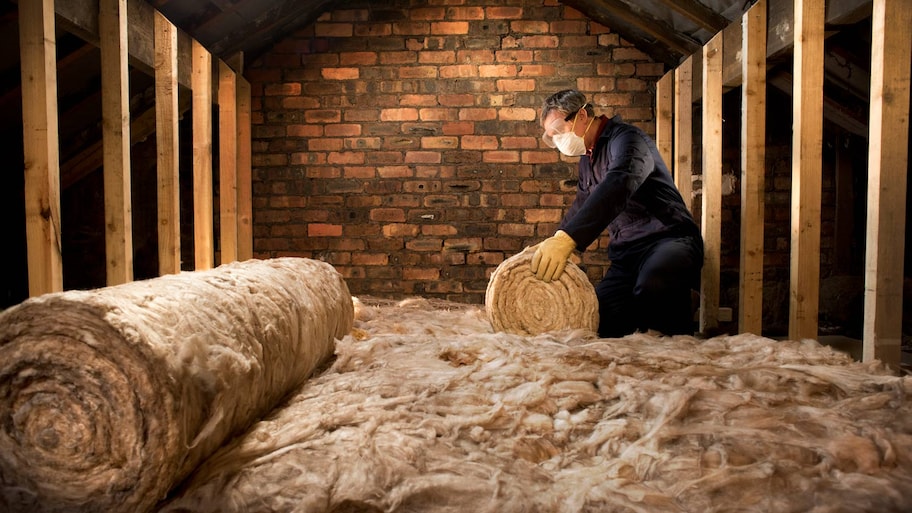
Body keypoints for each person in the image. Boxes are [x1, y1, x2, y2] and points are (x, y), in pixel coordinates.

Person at [531, 89, 704, 338]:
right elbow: (582, 203)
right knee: (602, 319)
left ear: (581, 115)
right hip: (627, 255)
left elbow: (620, 181)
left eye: (558, 129)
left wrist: (568, 239)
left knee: (653, 288)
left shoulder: (627, 139)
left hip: (669, 240)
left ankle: (683, 302)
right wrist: (556, 239)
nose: (557, 139)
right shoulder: (587, 159)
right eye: (551, 136)